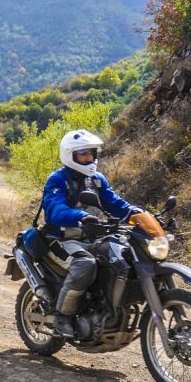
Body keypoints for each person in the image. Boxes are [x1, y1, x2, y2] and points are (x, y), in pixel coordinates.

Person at [43, 129, 143, 338]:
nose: (89, 158)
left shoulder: (97, 180)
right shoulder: (57, 180)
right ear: (70, 155)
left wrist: (138, 214)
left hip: (93, 237)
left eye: (91, 153)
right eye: (83, 154)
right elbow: (54, 208)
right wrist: (80, 216)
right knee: (85, 264)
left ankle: (107, 306)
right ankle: (63, 318)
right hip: (63, 239)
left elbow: (115, 203)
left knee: (125, 256)